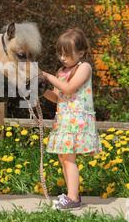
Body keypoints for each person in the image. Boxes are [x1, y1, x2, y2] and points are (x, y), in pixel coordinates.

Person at [42, 28, 102, 210]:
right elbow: (58, 97)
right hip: (64, 119)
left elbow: (68, 89)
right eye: (60, 54)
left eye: (66, 55)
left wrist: (47, 76)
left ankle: (73, 198)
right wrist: (41, 90)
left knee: (69, 159)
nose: (62, 58)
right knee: (63, 157)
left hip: (77, 120)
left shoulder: (84, 68)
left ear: (81, 53)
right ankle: (71, 194)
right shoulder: (62, 71)